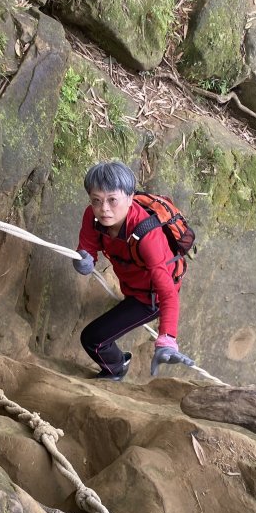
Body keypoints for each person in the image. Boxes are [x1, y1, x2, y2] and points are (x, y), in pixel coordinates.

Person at [73, 160, 194, 380]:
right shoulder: (92, 216)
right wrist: (83, 258)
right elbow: (88, 245)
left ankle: (116, 368)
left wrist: (167, 340)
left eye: (112, 200)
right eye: (96, 201)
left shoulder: (147, 236)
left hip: (149, 298)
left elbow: (167, 293)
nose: (104, 209)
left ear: (130, 197)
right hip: (131, 285)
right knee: (95, 336)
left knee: (93, 339)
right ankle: (117, 365)